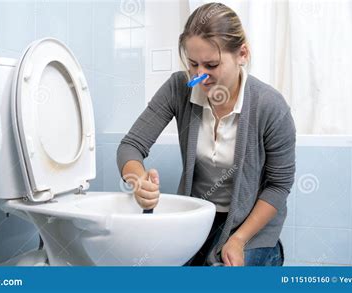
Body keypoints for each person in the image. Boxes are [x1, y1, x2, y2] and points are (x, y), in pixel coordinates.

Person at [116, 2, 296, 266]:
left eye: (211, 65)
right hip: (197, 218)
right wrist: (138, 178)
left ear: (242, 54)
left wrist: (238, 239)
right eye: (192, 64)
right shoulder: (179, 88)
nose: (199, 76)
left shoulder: (270, 106)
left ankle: (268, 255)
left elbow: (278, 186)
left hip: (249, 227)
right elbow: (130, 146)